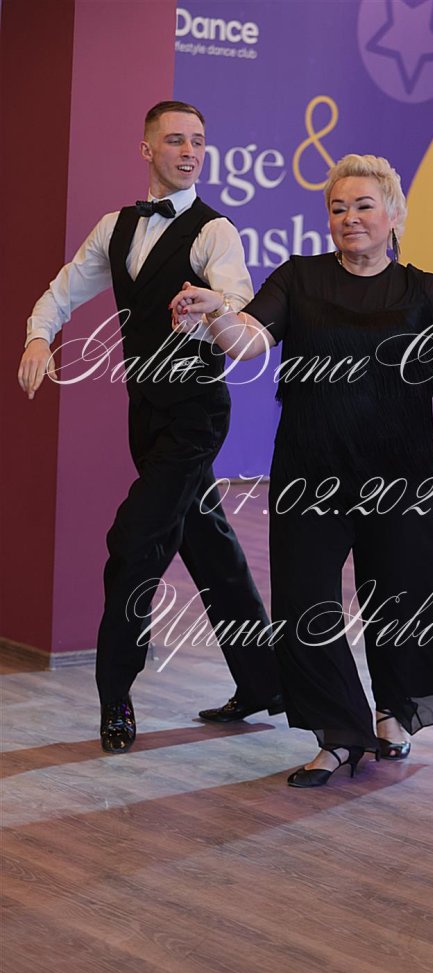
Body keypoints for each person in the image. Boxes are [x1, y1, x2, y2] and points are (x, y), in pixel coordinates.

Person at [171, 154, 433, 788]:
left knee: (401, 598)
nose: (350, 217)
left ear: (394, 214)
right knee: (303, 603)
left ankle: (393, 712)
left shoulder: (421, 290)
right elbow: (248, 341)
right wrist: (216, 312)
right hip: (311, 470)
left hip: (399, 472)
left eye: (363, 205)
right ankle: (338, 734)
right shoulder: (299, 278)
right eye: (338, 208)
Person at [18, 100, 282, 754]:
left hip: (197, 413)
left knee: (134, 541)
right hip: (145, 413)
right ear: (147, 149)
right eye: (175, 140)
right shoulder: (116, 228)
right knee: (211, 547)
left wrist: (215, 304)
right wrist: (38, 336)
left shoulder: (214, 231)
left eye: (198, 141)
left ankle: (115, 694)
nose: (190, 152)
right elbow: (63, 290)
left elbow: (239, 305)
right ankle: (264, 681)